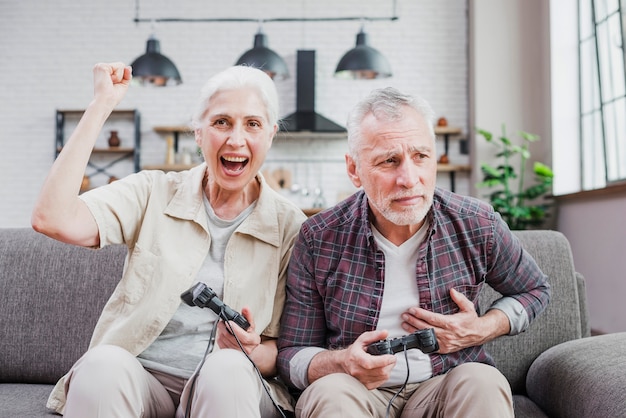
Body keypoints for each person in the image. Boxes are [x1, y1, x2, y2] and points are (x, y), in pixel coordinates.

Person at [31, 62, 307, 417]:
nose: (235, 139)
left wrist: (250, 351)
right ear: (198, 132)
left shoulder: (292, 228)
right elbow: (52, 219)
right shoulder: (152, 193)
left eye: (251, 124)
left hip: (232, 386)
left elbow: (287, 349)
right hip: (142, 380)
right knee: (102, 365)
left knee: (227, 370)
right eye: (221, 122)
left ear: (269, 134)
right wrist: (101, 105)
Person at [276, 87, 551, 418]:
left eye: (420, 156)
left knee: (483, 381)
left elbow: (535, 290)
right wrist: (341, 361)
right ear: (354, 170)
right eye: (389, 161)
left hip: (444, 383)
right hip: (356, 389)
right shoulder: (319, 237)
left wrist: (482, 328)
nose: (408, 178)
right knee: (330, 393)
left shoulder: (477, 222)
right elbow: (290, 354)